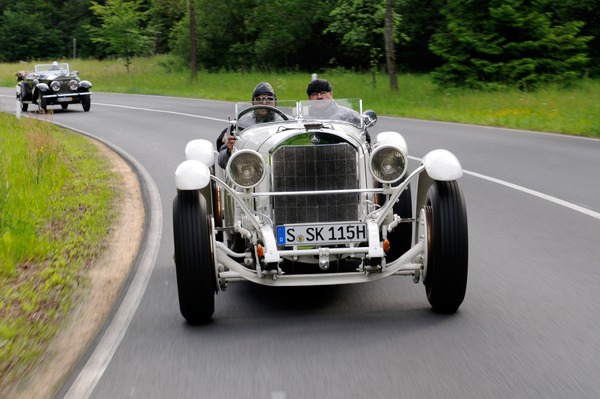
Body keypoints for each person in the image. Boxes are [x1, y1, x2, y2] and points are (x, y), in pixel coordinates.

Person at [217, 82, 283, 169]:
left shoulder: (286, 122)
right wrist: (229, 150)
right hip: (248, 171)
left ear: (275, 102)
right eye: (259, 99)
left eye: (269, 99)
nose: (264, 102)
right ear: (253, 103)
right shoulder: (240, 124)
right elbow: (221, 161)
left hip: (280, 166)